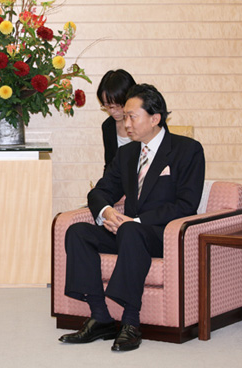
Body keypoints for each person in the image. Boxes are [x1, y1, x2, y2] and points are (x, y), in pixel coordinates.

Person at [59, 84, 205, 351]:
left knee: (130, 231)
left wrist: (136, 222)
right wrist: (107, 212)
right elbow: (100, 191)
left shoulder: (187, 150)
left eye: (131, 116)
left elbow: (187, 204)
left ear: (155, 118)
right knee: (77, 232)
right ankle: (100, 316)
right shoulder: (127, 154)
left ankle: (130, 322)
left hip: (163, 235)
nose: (125, 123)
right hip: (129, 234)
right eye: (124, 116)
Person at [97, 69, 136, 172]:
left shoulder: (148, 121)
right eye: (108, 106)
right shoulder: (108, 126)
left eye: (118, 106)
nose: (113, 112)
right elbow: (110, 166)